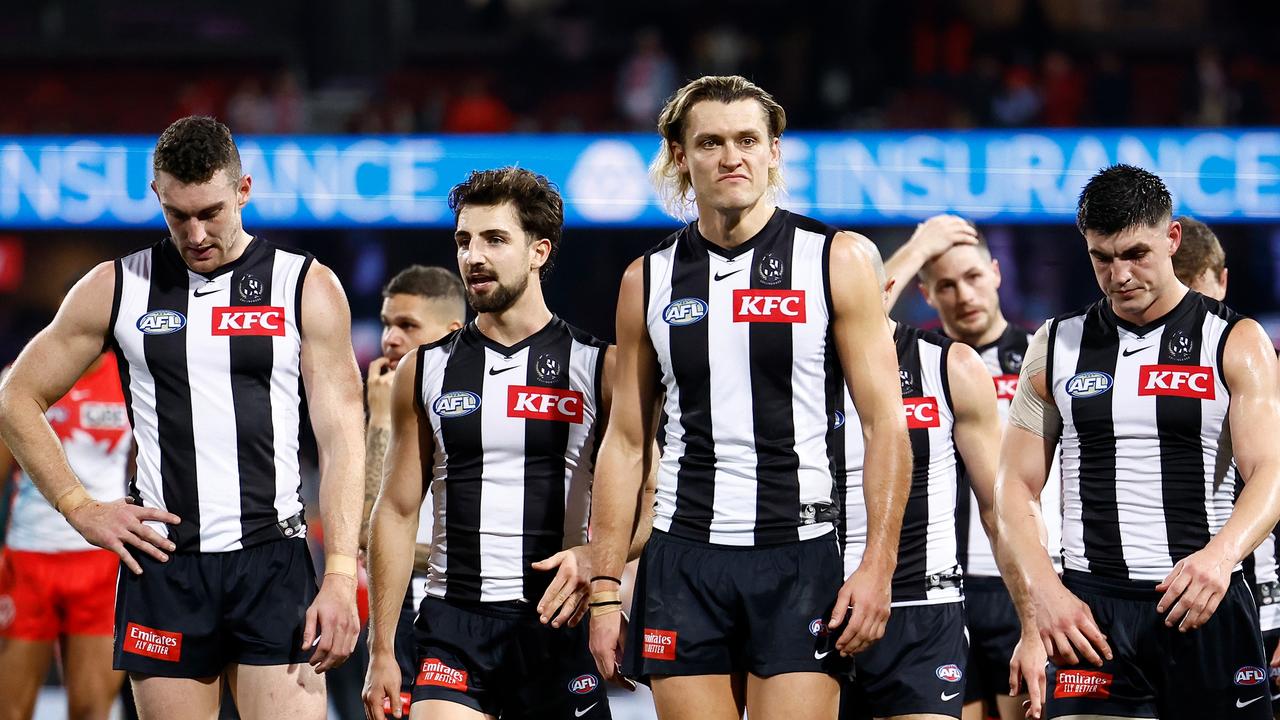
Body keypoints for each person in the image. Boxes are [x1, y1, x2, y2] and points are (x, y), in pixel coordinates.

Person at [0, 115, 365, 719]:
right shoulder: (116, 286)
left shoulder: (304, 285)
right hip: (165, 567)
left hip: (272, 561)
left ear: (244, 190)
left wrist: (340, 572)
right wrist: (77, 504)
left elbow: (343, 436)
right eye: (177, 215)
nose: (195, 233)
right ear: (157, 199)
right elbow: (16, 395)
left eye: (211, 212)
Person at [586, 75, 911, 720]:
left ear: (774, 152)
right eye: (710, 142)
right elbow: (625, 440)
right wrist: (603, 590)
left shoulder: (835, 260)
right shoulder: (645, 279)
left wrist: (877, 568)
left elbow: (885, 428)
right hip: (682, 558)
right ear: (681, 156)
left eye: (747, 139)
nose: (730, 156)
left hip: (800, 555)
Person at [363, 167, 651, 720]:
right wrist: (381, 651)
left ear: (539, 251)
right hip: (453, 626)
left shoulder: (598, 367)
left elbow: (653, 497)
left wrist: (601, 558)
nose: (473, 256)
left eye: (495, 239)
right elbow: (396, 511)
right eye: (464, 240)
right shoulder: (424, 370)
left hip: (556, 626)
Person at [999, 164, 1280, 719]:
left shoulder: (1235, 340)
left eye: (1135, 254)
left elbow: (1270, 471)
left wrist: (1220, 559)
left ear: (1172, 238)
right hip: (1089, 614)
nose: (1119, 274)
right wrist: (1044, 594)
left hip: (1205, 600)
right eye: (1102, 258)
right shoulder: (1054, 344)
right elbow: (1014, 487)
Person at [882, 215, 1061, 720]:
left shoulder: (1042, 360)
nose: (964, 294)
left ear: (998, 273)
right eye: (946, 285)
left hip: (1018, 582)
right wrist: (919, 245)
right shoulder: (913, 365)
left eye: (974, 277)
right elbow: (851, 311)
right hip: (938, 588)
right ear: (926, 293)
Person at [837, 239, 1002, 720]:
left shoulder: (949, 364)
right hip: (817, 606)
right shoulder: (796, 370)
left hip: (926, 608)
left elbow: (1000, 507)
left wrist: (1033, 624)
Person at [1172, 216, 1280, 714]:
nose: (1194, 318)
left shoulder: (1256, 363)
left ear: (1224, 280)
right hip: (1172, 602)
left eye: (1203, 300)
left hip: (1262, 600)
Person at [357, 265, 466, 719]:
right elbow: (366, 535)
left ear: (451, 331)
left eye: (407, 326)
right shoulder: (381, 403)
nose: (390, 339)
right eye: (386, 324)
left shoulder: (475, 404)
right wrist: (379, 420)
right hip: (398, 608)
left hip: (466, 605)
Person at [0, 353, 130, 720]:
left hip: (100, 561)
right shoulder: (20, 377)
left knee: (92, 710)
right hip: (28, 559)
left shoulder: (132, 377)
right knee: (10, 711)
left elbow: (145, 470)